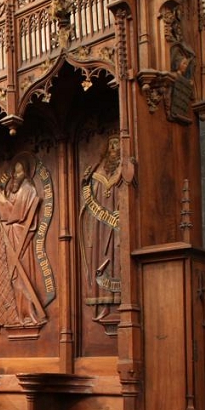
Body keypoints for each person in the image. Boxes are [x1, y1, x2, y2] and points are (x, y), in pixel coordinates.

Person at [0, 158, 46, 327]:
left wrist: (3, 202)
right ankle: (17, 315)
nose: (15, 175)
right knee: (14, 277)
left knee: (20, 275)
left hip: (20, 236)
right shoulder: (18, 190)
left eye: (19, 171)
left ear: (27, 173)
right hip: (14, 235)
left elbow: (17, 214)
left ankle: (27, 314)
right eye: (14, 171)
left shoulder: (28, 189)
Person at [79, 134, 123, 323]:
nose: (114, 148)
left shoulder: (124, 168)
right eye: (111, 144)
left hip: (118, 224)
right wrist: (85, 181)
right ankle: (104, 306)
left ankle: (122, 304)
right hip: (100, 227)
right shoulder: (97, 170)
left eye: (117, 144)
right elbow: (90, 199)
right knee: (102, 260)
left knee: (118, 260)